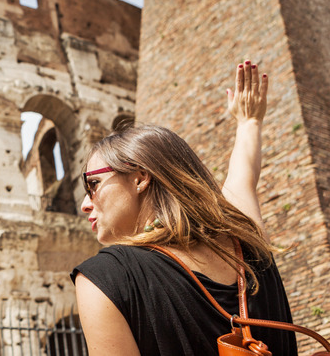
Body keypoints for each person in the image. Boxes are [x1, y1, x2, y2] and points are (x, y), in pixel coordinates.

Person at [71, 61, 298, 355]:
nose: (84, 203)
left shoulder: (105, 278)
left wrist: (248, 123)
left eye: (93, 184)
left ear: (140, 177)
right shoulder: (246, 241)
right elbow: (244, 178)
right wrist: (249, 122)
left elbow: (244, 178)